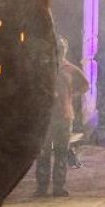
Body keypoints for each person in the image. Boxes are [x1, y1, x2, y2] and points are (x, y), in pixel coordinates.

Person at [35, 37, 88, 196]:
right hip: (46, 117)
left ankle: (58, 187)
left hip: (65, 116)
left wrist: (71, 95)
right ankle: (42, 187)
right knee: (43, 152)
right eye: (57, 48)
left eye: (62, 48)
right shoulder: (45, 68)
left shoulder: (70, 69)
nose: (59, 50)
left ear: (65, 50)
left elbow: (84, 85)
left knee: (61, 152)